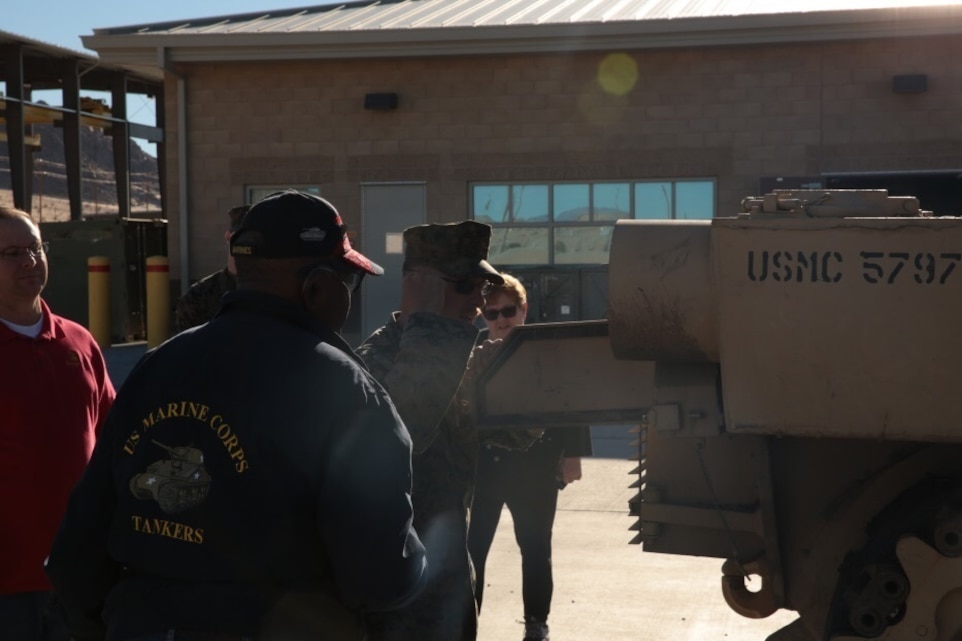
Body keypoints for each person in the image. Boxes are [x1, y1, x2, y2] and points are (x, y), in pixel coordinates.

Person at [45, 190, 427, 641]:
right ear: (316, 286)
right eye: (350, 281)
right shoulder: (343, 387)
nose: (350, 295)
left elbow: (79, 546)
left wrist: (119, 619)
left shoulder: (160, 365)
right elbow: (380, 577)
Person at [356, 220, 506, 641]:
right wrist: (435, 329)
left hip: (450, 583)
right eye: (463, 285)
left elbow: (515, 437)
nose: (478, 300)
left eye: (484, 287)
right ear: (417, 285)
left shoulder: (458, 354)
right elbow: (408, 432)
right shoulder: (373, 361)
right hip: (396, 597)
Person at [0, 205, 116, 641]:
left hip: (78, 575)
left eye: (35, 248)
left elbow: (113, 443)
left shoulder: (79, 341)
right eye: (12, 253)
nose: (30, 262)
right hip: (7, 586)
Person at [466, 273, 592, 641]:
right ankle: (463, 624)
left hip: (534, 468)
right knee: (471, 553)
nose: (500, 319)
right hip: (482, 468)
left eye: (508, 310)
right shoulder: (470, 351)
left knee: (536, 549)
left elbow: (569, 401)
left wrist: (574, 455)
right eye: (491, 313)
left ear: (523, 310)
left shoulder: (545, 350)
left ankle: (537, 623)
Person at [173, 204, 249, 332]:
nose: (247, 243)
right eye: (240, 237)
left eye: (252, 239)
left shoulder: (277, 292)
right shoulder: (199, 296)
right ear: (228, 237)